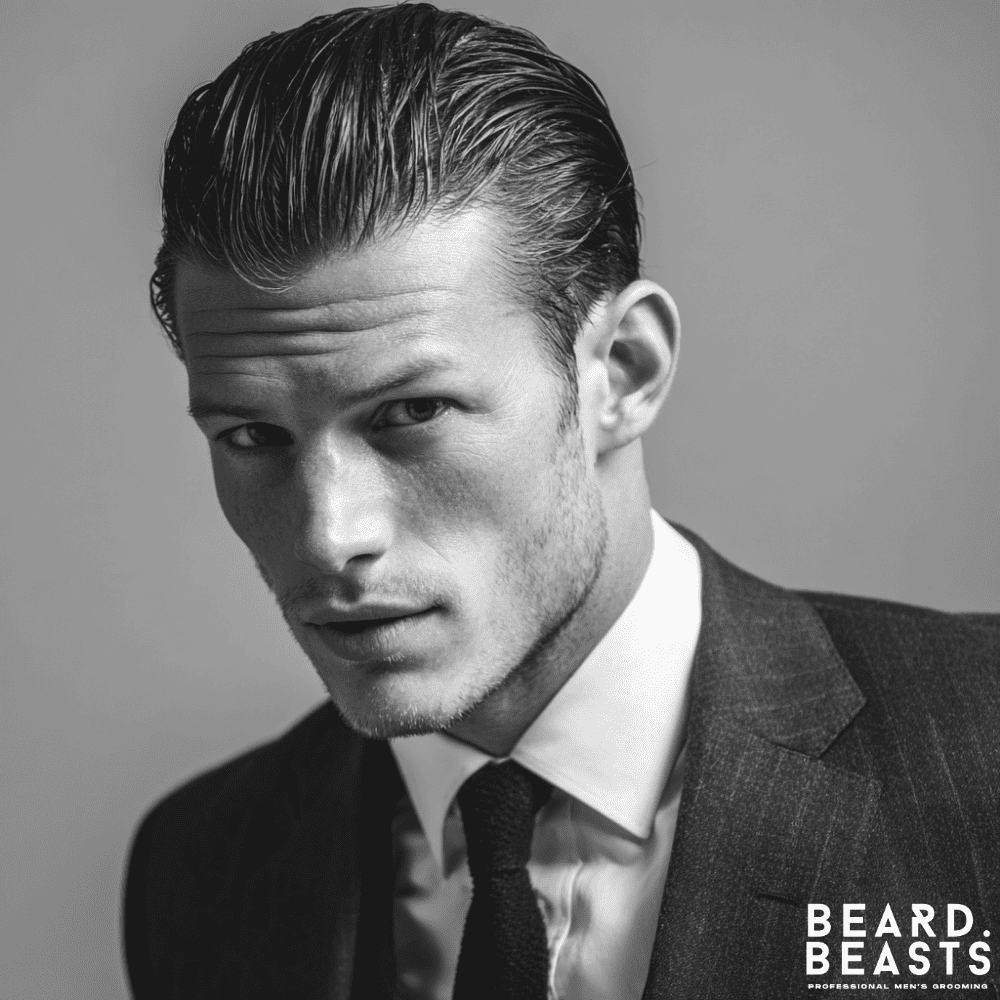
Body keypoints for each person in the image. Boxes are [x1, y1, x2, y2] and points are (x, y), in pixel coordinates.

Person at [122, 5, 1000, 998]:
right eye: (252, 436)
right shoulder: (197, 868)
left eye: (412, 412)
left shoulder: (981, 753)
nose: (330, 537)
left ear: (622, 371)